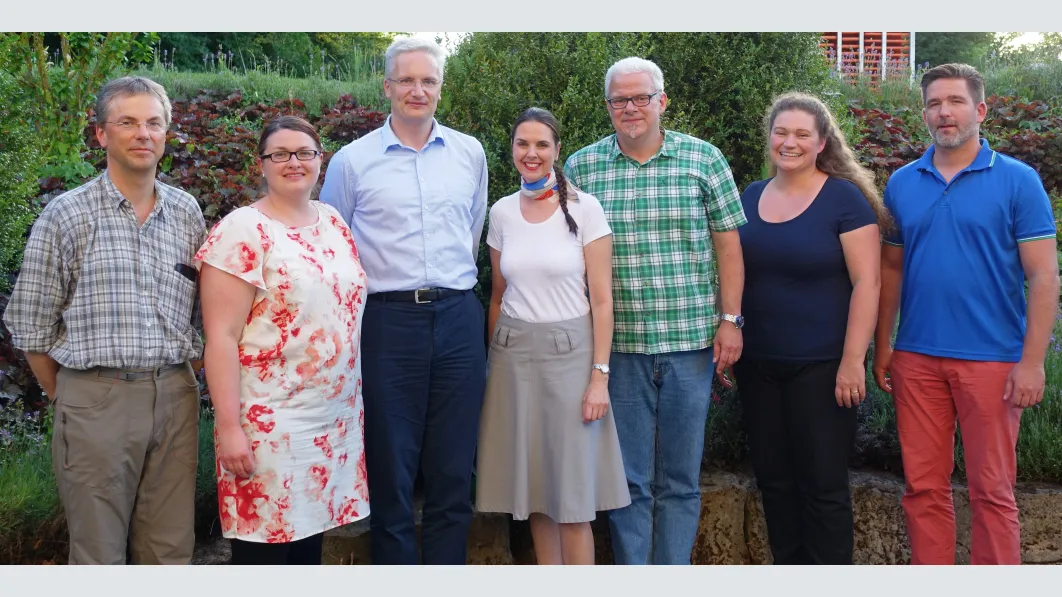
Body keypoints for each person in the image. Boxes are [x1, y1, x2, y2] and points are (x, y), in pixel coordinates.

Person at [2, 76, 204, 564]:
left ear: (166, 132)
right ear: (101, 134)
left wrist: (183, 381)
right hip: (95, 398)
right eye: (127, 122)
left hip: (175, 396)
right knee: (98, 554)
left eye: (154, 123)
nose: (143, 134)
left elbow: (205, 314)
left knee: (170, 551)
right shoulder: (66, 215)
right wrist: (76, 398)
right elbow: (31, 328)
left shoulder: (186, 212)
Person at [873, 63, 1059, 565]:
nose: (943, 112)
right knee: (922, 489)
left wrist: (1033, 362)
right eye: (934, 103)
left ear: (979, 110)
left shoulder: (1020, 181)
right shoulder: (902, 183)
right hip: (916, 359)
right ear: (925, 113)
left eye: (954, 101)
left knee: (993, 492)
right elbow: (890, 270)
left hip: (993, 361)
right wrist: (884, 344)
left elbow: (1044, 277)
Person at [564, 56, 747, 565]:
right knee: (629, 482)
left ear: (662, 101)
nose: (630, 107)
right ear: (607, 107)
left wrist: (730, 320)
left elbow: (729, 247)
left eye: (640, 97)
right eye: (619, 99)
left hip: (691, 345)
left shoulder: (704, 160)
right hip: (619, 350)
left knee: (682, 481)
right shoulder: (582, 167)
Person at [319, 37, 488, 565]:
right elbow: (335, 247)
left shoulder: (470, 153)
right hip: (388, 323)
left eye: (429, 81)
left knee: (454, 466)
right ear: (387, 86)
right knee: (391, 467)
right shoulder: (352, 162)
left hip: (459, 316)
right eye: (407, 80)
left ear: (441, 87)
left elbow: (473, 231)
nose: (418, 90)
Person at [195, 116, 370, 565]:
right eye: (280, 154)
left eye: (304, 153)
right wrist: (230, 428)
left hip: (331, 422)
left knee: (306, 550)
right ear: (263, 163)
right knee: (266, 556)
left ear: (320, 160)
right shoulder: (241, 231)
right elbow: (221, 338)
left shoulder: (332, 221)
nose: (294, 162)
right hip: (269, 427)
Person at [732, 92, 885, 565]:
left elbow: (868, 283)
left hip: (823, 370)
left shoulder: (843, 199)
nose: (789, 142)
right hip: (758, 366)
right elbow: (734, 273)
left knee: (822, 488)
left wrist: (852, 362)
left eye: (802, 134)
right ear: (770, 137)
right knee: (775, 485)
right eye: (781, 132)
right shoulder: (751, 195)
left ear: (822, 142)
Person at [474, 107, 630, 565]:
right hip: (512, 356)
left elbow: (602, 300)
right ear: (513, 150)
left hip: (571, 356)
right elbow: (498, 296)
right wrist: (491, 365)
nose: (532, 153)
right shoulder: (501, 212)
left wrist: (599, 376)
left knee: (572, 498)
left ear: (557, 150)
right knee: (537, 493)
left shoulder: (585, 209)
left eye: (542, 144)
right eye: (523, 143)